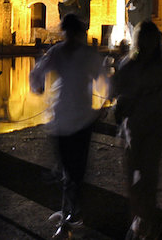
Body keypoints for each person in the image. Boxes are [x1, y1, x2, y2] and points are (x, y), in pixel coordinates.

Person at [29, 14, 107, 239]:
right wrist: (38, 86)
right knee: (67, 169)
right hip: (62, 118)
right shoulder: (58, 52)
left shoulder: (87, 55)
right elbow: (38, 73)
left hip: (81, 120)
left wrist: (102, 104)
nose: (70, 37)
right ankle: (69, 210)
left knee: (75, 171)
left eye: (72, 33)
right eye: (68, 33)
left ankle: (70, 216)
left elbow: (103, 80)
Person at [111, 21, 162, 239]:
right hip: (132, 128)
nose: (147, 43)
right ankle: (139, 217)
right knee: (131, 177)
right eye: (144, 38)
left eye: (151, 38)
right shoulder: (128, 64)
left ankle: (144, 220)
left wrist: (131, 96)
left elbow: (159, 95)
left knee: (148, 176)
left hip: (152, 127)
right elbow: (118, 90)